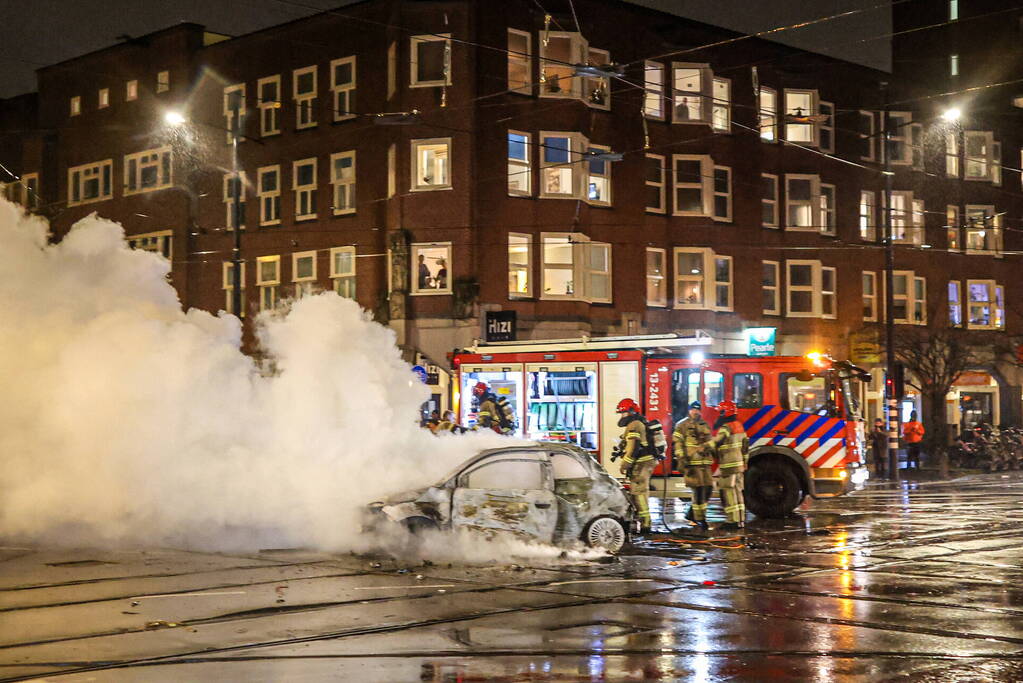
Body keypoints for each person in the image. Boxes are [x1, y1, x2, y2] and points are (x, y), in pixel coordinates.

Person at [616, 398, 656, 535]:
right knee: (640, 493)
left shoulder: (634, 425)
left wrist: (625, 464)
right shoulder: (638, 423)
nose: (622, 416)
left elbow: (633, 448)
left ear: (632, 412)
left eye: (624, 412)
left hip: (641, 463)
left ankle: (645, 524)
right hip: (644, 462)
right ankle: (644, 522)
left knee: (638, 493)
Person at [673, 400, 713, 531]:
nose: (695, 412)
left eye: (697, 409)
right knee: (698, 491)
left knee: (708, 489)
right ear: (689, 410)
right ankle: (699, 519)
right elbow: (678, 443)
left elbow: (710, 442)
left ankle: (692, 515)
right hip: (691, 464)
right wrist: (681, 459)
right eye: (693, 409)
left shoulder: (704, 424)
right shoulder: (681, 425)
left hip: (705, 463)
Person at [709, 400, 748, 531]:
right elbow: (745, 447)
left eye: (720, 412)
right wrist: (745, 462)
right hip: (739, 465)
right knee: (738, 491)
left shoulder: (726, 428)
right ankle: (740, 520)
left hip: (728, 465)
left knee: (728, 492)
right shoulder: (739, 426)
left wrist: (703, 447)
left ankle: (732, 521)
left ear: (724, 412)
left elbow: (716, 442)